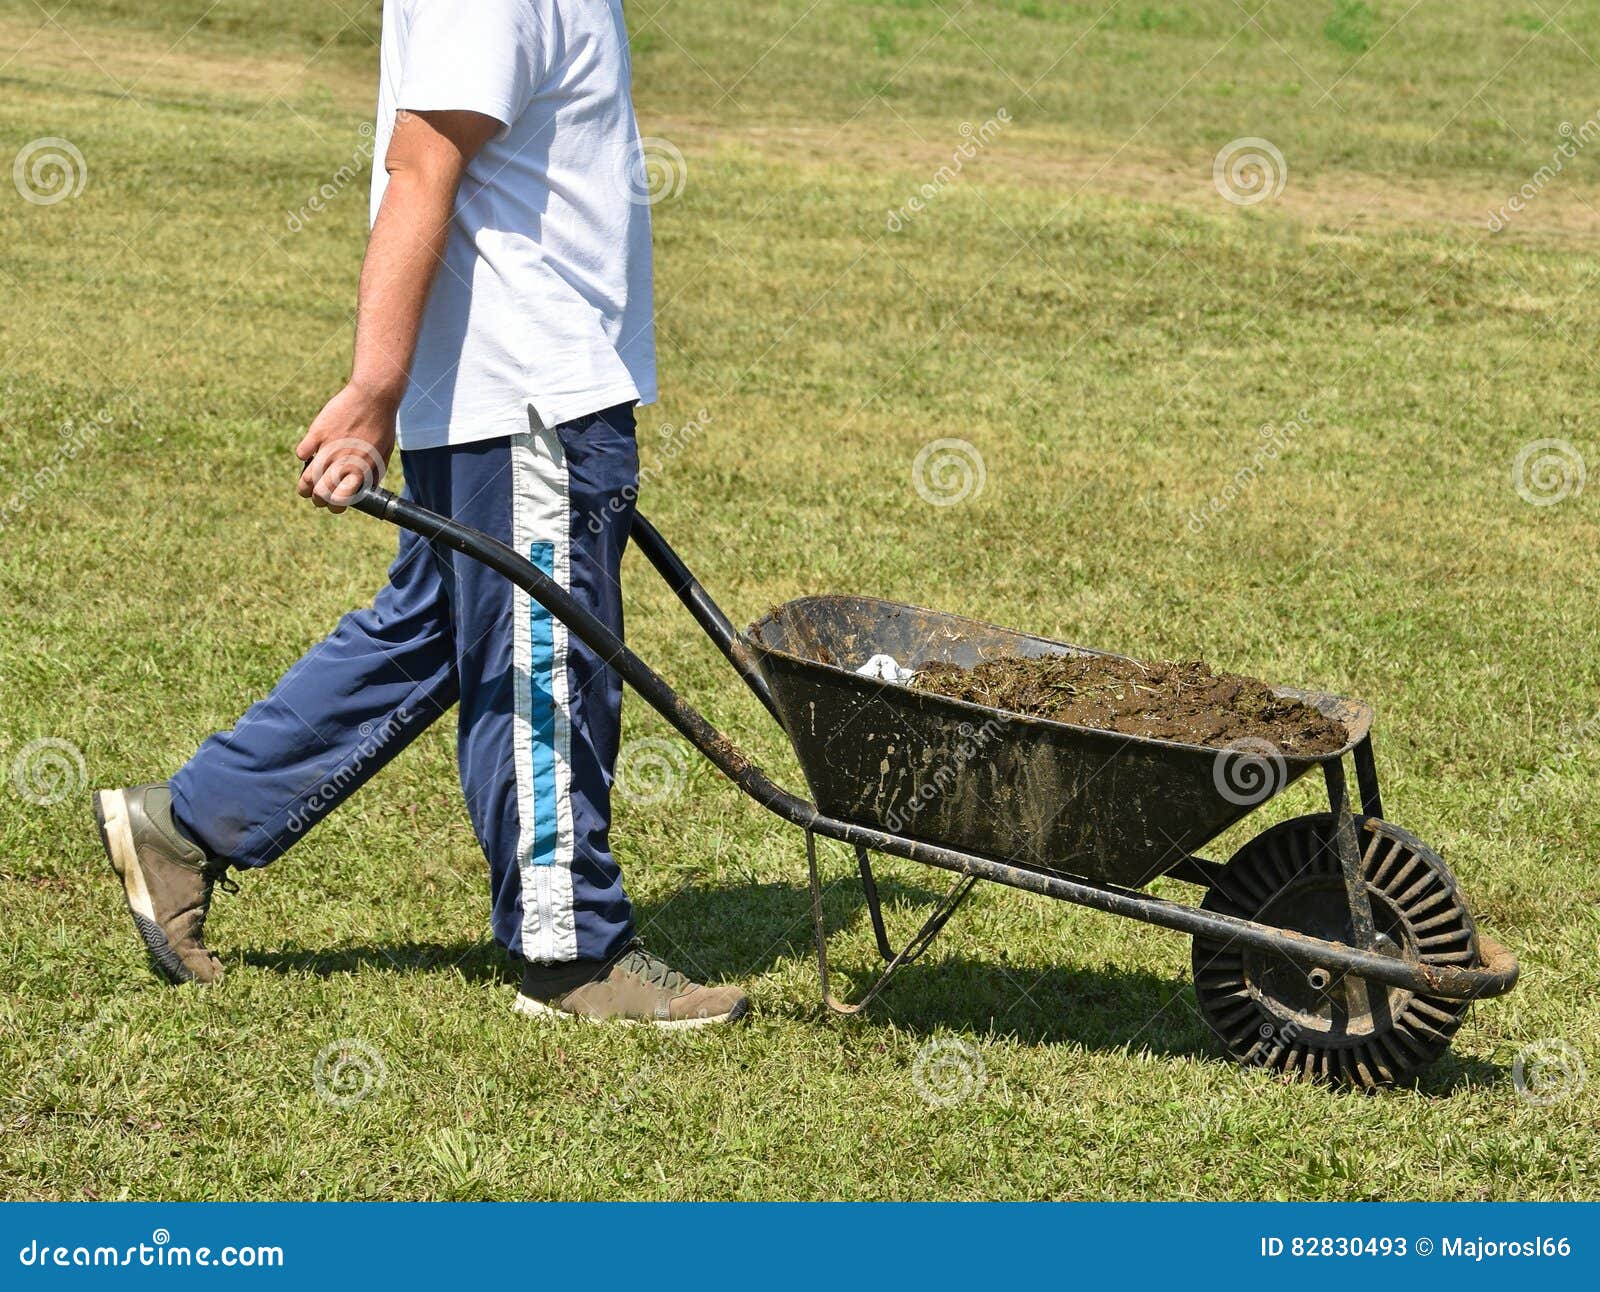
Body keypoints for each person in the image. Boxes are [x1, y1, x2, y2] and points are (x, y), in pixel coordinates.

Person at [91, 0, 748, 1029]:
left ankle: (187, 824)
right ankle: (570, 950)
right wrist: (374, 390)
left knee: (441, 633)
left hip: (531, 385)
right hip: (528, 394)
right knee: (547, 659)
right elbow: (421, 166)